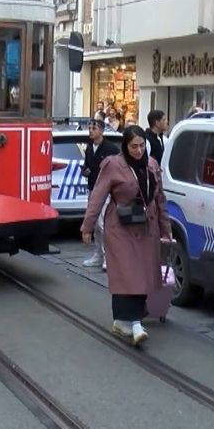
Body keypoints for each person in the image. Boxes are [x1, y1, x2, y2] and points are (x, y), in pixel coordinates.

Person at [80, 126, 171, 345]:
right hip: (120, 227)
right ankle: (134, 322)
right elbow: (98, 196)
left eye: (141, 146)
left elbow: (160, 199)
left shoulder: (152, 165)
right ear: (125, 146)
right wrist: (88, 226)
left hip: (146, 228)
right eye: (133, 146)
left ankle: (126, 320)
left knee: (144, 272)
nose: (138, 151)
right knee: (127, 272)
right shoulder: (113, 165)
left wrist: (166, 228)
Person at [81, 119, 120, 269]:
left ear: (102, 131)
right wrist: (85, 171)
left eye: (94, 128)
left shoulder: (110, 148)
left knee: (103, 223)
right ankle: (98, 254)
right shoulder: (89, 148)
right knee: (96, 224)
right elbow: (87, 166)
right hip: (93, 188)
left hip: (106, 191)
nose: (91, 131)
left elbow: (117, 167)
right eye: (89, 128)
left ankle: (108, 257)